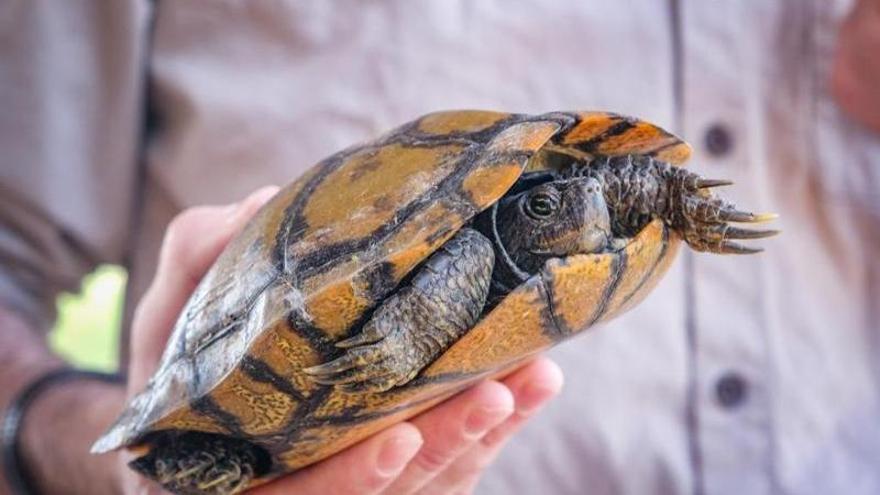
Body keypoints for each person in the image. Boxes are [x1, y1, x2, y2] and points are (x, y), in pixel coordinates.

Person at [1, 1, 878, 494]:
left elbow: (623, 180)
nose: (579, 211)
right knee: (219, 455)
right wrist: (72, 445)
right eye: (545, 211)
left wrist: (662, 192)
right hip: (294, 323)